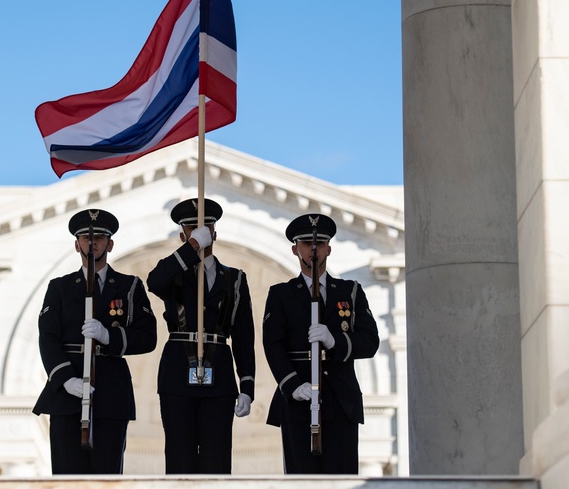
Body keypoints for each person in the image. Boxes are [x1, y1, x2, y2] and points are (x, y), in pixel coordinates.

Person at [33, 208, 157, 474]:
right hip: (68, 392)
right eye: (86, 238)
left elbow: (148, 337)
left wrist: (108, 336)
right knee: (67, 478)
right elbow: (48, 337)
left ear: (110, 244)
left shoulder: (129, 286)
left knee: (107, 476)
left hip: (111, 391)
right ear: (76, 244)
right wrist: (66, 378)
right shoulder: (60, 287)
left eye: (99, 238)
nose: (92, 243)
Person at [262, 213, 380, 473]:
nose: (313, 250)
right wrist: (292, 385)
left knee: (342, 481)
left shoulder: (350, 291)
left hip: (341, 400)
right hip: (300, 398)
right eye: (306, 243)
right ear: (295, 249)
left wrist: (334, 340)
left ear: (329, 248)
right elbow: (273, 345)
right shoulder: (281, 294)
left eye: (320, 243)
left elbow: (370, 342)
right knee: (303, 482)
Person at [146, 198, 256, 474]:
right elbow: (154, 281)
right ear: (183, 234)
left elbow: (243, 336)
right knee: (179, 456)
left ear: (215, 233)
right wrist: (192, 247)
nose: (199, 232)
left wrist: (247, 387)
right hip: (177, 373)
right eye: (191, 229)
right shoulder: (172, 272)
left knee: (216, 459)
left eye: (205, 227)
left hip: (218, 372)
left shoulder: (235, 278)